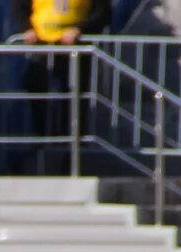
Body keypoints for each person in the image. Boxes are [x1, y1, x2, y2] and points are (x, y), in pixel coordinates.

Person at [11, 0, 112, 158]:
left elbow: (102, 13)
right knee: (36, 88)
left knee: (74, 95)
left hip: (75, 47)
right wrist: (27, 29)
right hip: (42, 45)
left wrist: (80, 29)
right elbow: (18, 8)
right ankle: (41, 139)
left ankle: (72, 150)